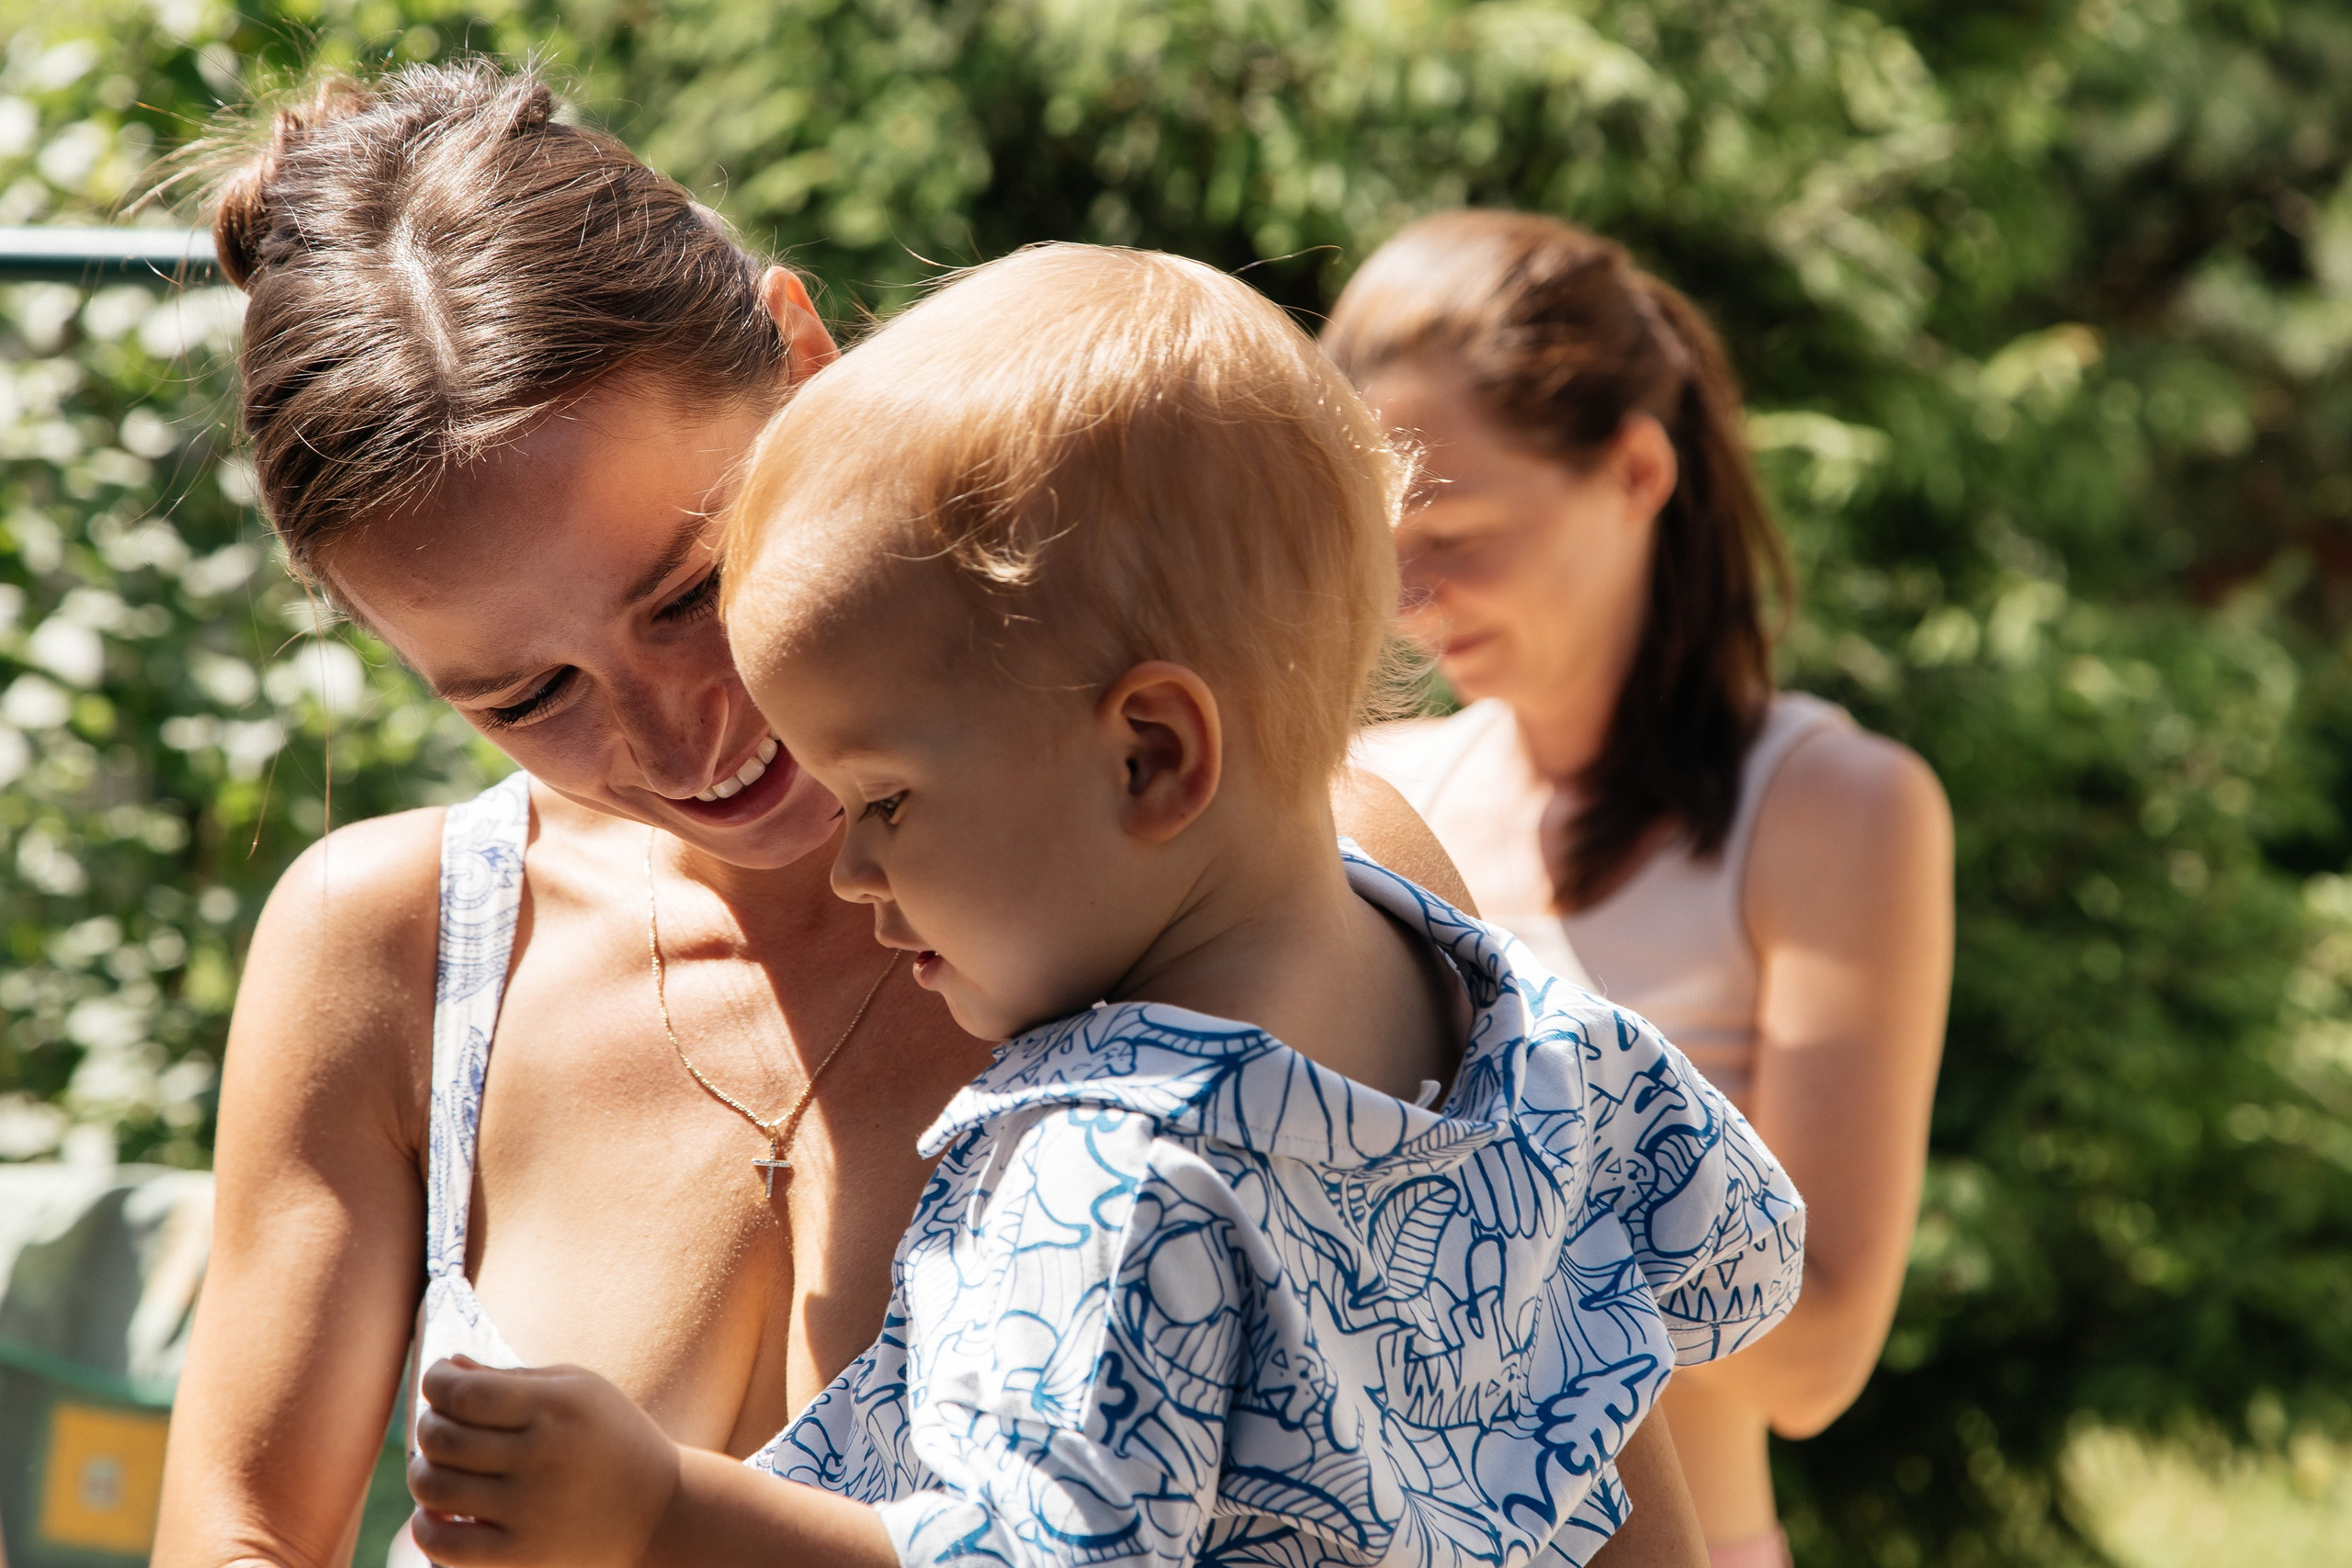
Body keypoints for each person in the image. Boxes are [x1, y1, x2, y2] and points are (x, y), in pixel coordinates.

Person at [151, 69, 1711, 1567]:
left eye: (692, 588)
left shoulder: (1287, 874)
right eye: (526, 695)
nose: (682, 734)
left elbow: (1592, 1493)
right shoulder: (399, 949)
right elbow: (238, 1534)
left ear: (809, 357)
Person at [1330, 211, 1953, 1568]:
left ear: (1635, 469)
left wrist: (1495, 1186)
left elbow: (1822, 1352)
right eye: (1378, 543)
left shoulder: (1832, 810)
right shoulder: (1372, 789)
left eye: (1459, 531)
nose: (1406, 599)